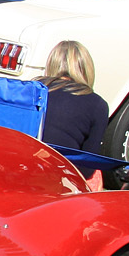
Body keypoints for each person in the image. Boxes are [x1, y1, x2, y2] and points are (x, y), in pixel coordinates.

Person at [38, 41, 110, 188]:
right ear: (87, 68)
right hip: (62, 175)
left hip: (23, 162)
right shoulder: (97, 104)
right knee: (96, 173)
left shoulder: (32, 88)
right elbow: (88, 166)